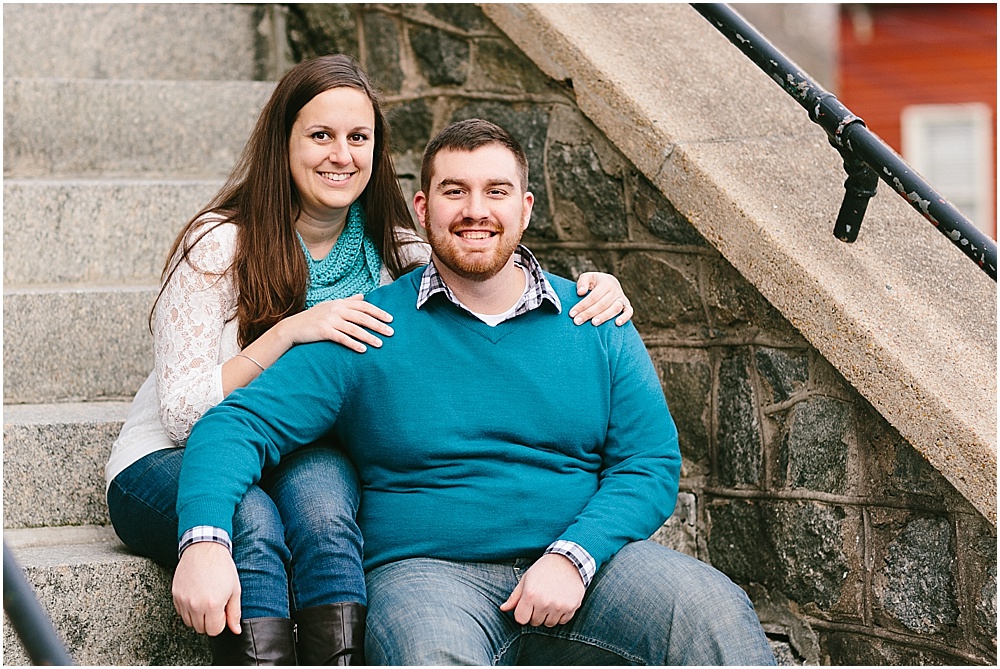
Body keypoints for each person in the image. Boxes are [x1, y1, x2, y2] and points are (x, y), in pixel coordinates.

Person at [171, 118, 776, 665]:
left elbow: (648, 463)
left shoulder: (593, 319)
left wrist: (574, 556)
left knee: (713, 609)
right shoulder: (368, 327)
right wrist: (204, 540)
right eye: (454, 191)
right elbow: (235, 425)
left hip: (591, 566)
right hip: (427, 577)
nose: (474, 210)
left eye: (496, 191)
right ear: (423, 206)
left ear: (526, 207)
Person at [104, 58, 635, 666]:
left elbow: (487, 253)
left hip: (305, 451)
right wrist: (285, 335)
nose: (341, 154)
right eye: (320, 135)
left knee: (329, 517)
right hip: (171, 457)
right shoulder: (220, 243)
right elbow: (181, 415)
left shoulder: (396, 248)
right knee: (250, 521)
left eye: (358, 138)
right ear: (284, 142)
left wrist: (596, 289)